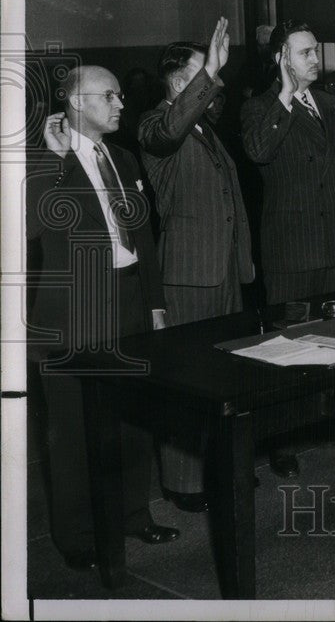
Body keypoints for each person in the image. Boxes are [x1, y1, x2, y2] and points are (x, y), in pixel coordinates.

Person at [27, 65, 179, 572]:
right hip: (75, 312)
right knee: (72, 429)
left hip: (130, 300)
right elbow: (27, 224)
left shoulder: (123, 156)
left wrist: (156, 304)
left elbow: (146, 240)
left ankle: (133, 511)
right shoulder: (40, 161)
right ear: (74, 103)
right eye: (109, 96)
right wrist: (53, 161)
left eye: (119, 93)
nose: (120, 104)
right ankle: (77, 535)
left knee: (134, 416)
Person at [241, 19, 335, 476]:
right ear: (281, 59)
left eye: (316, 51)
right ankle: (283, 439)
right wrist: (285, 96)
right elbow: (258, 150)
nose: (315, 59)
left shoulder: (330, 103)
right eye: (305, 53)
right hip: (291, 250)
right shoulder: (258, 108)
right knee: (290, 345)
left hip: (333, 240)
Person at [138, 18, 254, 512]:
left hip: (223, 269)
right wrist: (212, 72)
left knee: (223, 375)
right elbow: (169, 130)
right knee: (189, 379)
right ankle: (184, 484)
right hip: (188, 273)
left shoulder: (204, 128)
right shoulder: (153, 125)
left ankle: (220, 468)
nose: (215, 80)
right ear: (179, 82)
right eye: (203, 73)